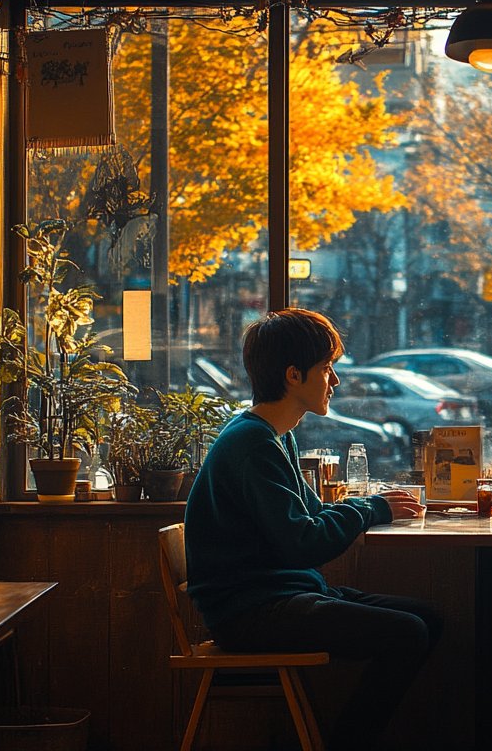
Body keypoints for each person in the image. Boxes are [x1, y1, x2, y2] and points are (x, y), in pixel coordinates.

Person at [184, 308, 440, 751]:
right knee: (409, 633)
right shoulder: (252, 444)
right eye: (327, 368)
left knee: (427, 620)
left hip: (280, 594)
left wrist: (367, 507)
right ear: (293, 375)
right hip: (249, 613)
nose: (335, 381)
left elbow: (313, 514)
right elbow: (304, 542)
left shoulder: (274, 436)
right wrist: (373, 508)